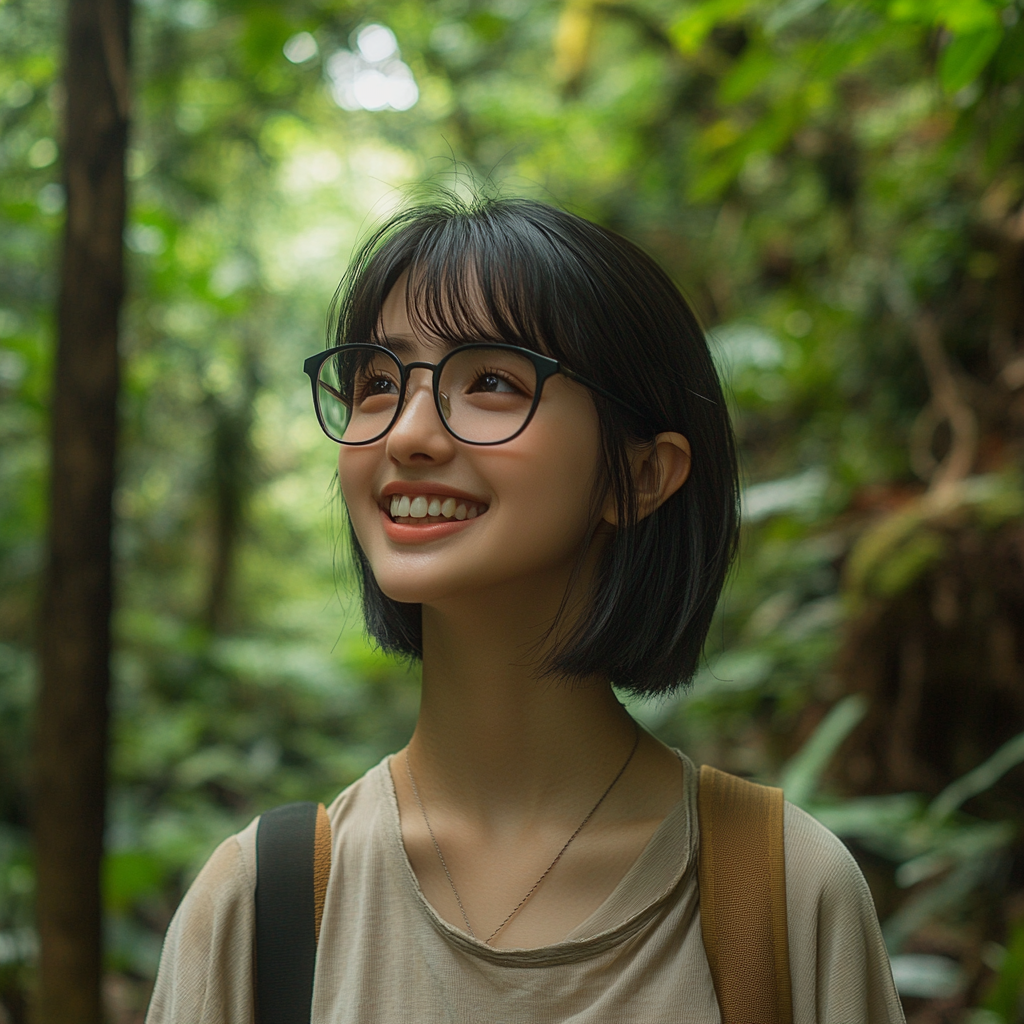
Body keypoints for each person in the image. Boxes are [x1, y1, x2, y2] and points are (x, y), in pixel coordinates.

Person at [145, 194, 905, 1023]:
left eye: (494, 381)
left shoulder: (785, 896)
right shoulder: (263, 909)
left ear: (645, 474)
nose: (408, 432)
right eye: (377, 381)